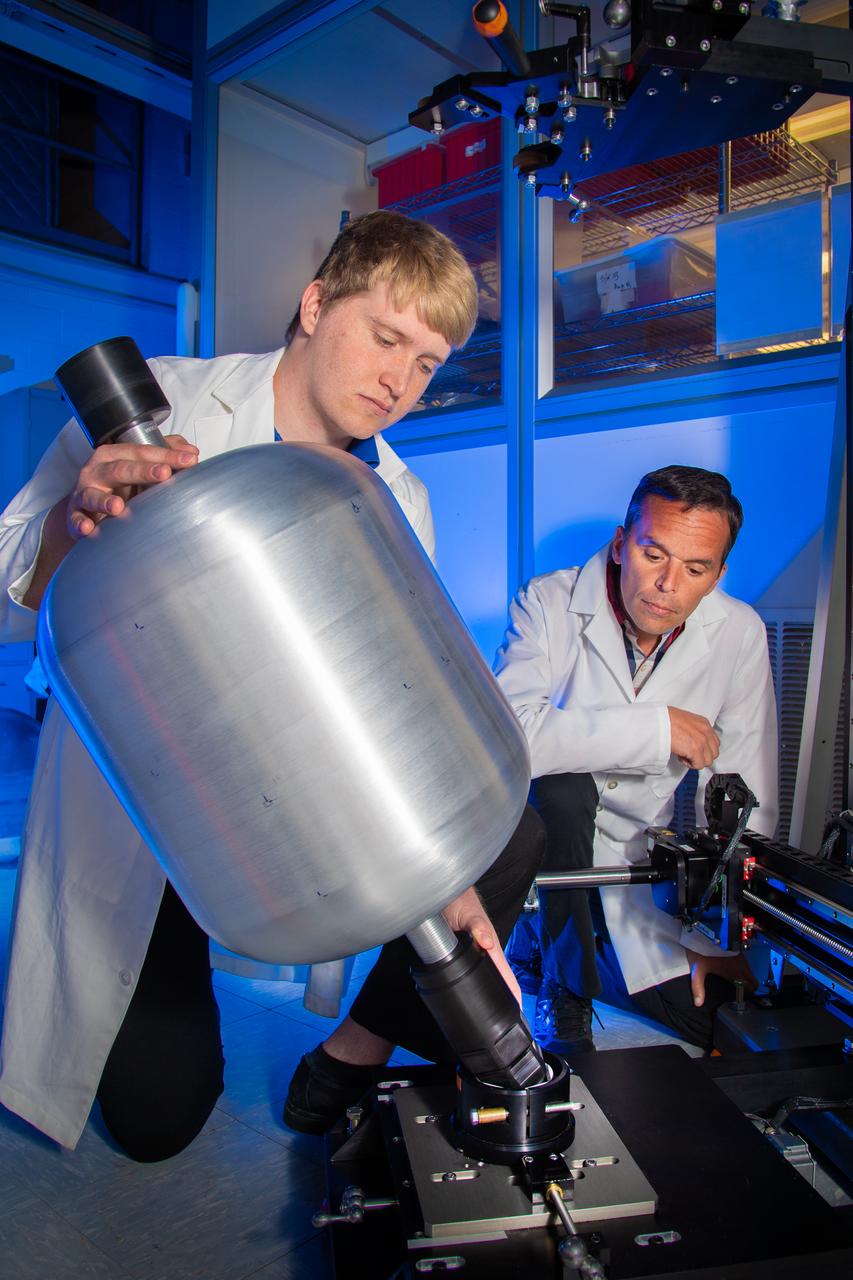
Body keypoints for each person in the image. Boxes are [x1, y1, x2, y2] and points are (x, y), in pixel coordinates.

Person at [0, 210, 543, 1160]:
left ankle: (348, 1048)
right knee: (156, 1121)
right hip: (150, 806)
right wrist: (69, 533)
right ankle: (176, 973)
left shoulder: (396, 495)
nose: (397, 382)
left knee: (507, 830)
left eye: (425, 363)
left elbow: (401, 693)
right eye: (385, 338)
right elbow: (9, 577)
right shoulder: (162, 404)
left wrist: (454, 886)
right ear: (315, 302)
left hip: (291, 798)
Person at [493, 465, 778, 1056]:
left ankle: (553, 948)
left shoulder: (739, 632)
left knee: (719, 1022)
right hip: (544, 836)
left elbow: (745, 794)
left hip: (636, 861)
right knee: (566, 790)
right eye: (653, 554)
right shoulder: (548, 602)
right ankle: (562, 980)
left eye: (695, 569)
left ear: (717, 575)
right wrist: (659, 728)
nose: (667, 584)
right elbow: (512, 740)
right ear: (622, 545)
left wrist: (721, 942)